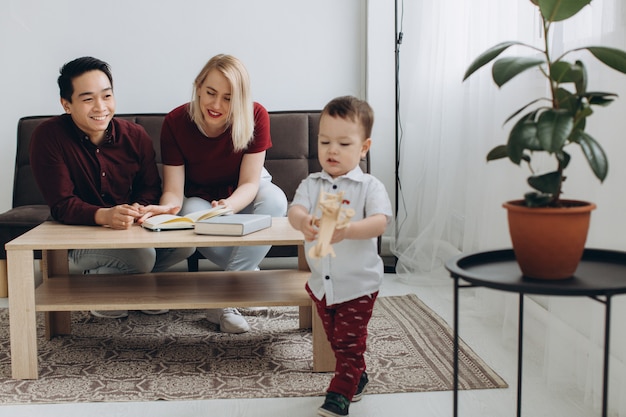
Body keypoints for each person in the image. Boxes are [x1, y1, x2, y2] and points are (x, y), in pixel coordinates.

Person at [29, 56, 195, 319]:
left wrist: (140, 209)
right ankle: (123, 284)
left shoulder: (135, 136)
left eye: (106, 96)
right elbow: (61, 204)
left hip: (127, 231)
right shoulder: (48, 137)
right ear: (66, 104)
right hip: (77, 236)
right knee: (142, 257)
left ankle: (116, 285)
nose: (101, 107)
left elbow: (150, 188)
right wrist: (103, 215)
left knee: (185, 244)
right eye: (87, 99)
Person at [141, 54, 288, 334]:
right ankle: (246, 278)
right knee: (190, 214)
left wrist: (229, 207)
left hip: (244, 190)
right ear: (198, 86)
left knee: (276, 200)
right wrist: (165, 209)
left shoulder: (257, 115)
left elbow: (250, 184)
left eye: (229, 98)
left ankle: (223, 301)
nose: (217, 105)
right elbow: (174, 190)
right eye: (210, 93)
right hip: (200, 194)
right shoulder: (175, 121)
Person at [288, 96, 392, 417]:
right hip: (321, 283)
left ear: (364, 147)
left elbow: (380, 221)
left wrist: (349, 230)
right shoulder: (312, 184)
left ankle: (340, 394)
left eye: (344, 143)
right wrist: (304, 222)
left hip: (357, 284)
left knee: (348, 343)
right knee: (336, 339)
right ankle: (357, 375)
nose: (332, 150)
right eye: (324, 141)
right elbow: (295, 211)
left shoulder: (369, 187)